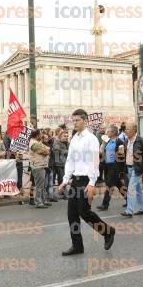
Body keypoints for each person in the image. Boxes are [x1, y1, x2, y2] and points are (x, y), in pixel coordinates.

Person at [58, 109, 116, 256]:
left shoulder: (91, 139)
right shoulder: (74, 139)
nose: (74, 123)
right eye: (73, 120)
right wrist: (65, 180)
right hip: (75, 181)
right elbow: (70, 161)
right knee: (72, 215)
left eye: (77, 120)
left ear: (85, 120)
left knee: (84, 212)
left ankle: (108, 232)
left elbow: (94, 162)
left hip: (86, 181)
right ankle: (77, 246)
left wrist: (92, 183)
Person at [121, 123, 143, 218]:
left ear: (134, 130)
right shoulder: (126, 141)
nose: (126, 131)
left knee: (131, 188)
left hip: (137, 169)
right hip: (128, 168)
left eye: (128, 129)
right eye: (126, 129)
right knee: (138, 190)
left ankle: (129, 211)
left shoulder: (142, 141)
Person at [97, 125, 127, 211]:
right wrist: (103, 144)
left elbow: (121, 156)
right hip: (107, 165)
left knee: (109, 185)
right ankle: (129, 200)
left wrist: (120, 170)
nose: (106, 133)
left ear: (113, 133)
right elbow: (102, 152)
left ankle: (105, 204)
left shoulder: (120, 142)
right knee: (118, 184)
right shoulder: (107, 141)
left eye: (108, 131)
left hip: (115, 166)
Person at [29, 129, 51, 208]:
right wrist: (46, 150)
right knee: (39, 186)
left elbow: (48, 148)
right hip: (38, 166)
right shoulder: (34, 144)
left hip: (42, 165)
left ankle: (44, 200)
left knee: (43, 185)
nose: (42, 135)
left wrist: (46, 149)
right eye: (40, 134)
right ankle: (39, 202)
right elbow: (45, 151)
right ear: (37, 135)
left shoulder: (38, 142)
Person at [52, 130, 69, 200]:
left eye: (67, 136)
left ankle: (62, 192)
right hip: (59, 163)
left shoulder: (66, 143)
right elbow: (56, 151)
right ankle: (64, 193)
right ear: (60, 136)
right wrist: (67, 152)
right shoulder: (57, 143)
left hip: (66, 163)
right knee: (62, 178)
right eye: (64, 136)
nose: (66, 137)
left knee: (63, 178)